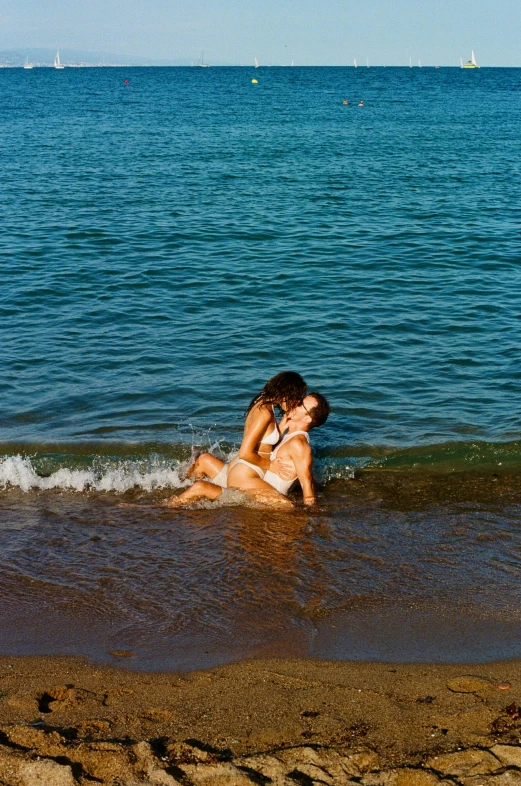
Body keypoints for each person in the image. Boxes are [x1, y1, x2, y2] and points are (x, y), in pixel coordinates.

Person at [164, 392, 330, 508]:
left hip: (255, 495)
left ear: (307, 418)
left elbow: (307, 485)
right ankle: (176, 486)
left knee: (200, 487)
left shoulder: (299, 444)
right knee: (204, 460)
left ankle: (166, 509)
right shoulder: (288, 436)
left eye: (301, 404)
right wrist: (280, 428)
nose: (295, 402)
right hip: (248, 482)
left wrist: (310, 517)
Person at [185, 371, 307, 489]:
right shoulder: (264, 413)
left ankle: (184, 483)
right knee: (285, 506)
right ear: (286, 393)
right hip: (250, 469)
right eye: (296, 397)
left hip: (243, 466)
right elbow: (245, 453)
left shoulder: (262, 402)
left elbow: (262, 440)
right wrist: (270, 465)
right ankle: (196, 490)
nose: (296, 403)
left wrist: (281, 428)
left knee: (206, 461)